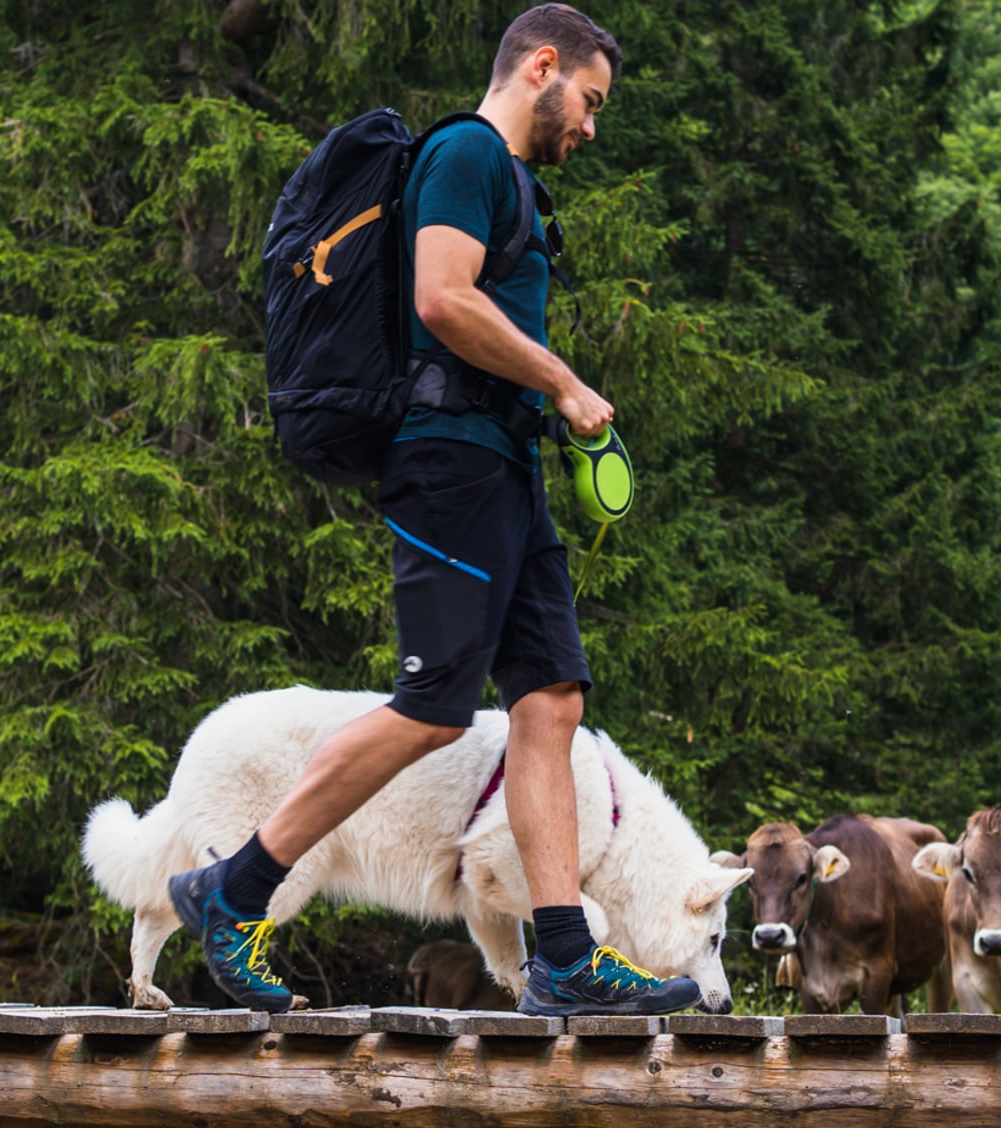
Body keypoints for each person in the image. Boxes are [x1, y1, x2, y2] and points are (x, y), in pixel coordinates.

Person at [169, 5, 700, 1018]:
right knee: (434, 706)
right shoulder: (463, 152)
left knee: (551, 700)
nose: (590, 126)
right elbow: (441, 298)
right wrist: (564, 382)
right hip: (448, 463)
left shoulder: (518, 185)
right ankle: (230, 892)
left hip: (506, 467)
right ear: (540, 67)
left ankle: (562, 956)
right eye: (588, 100)